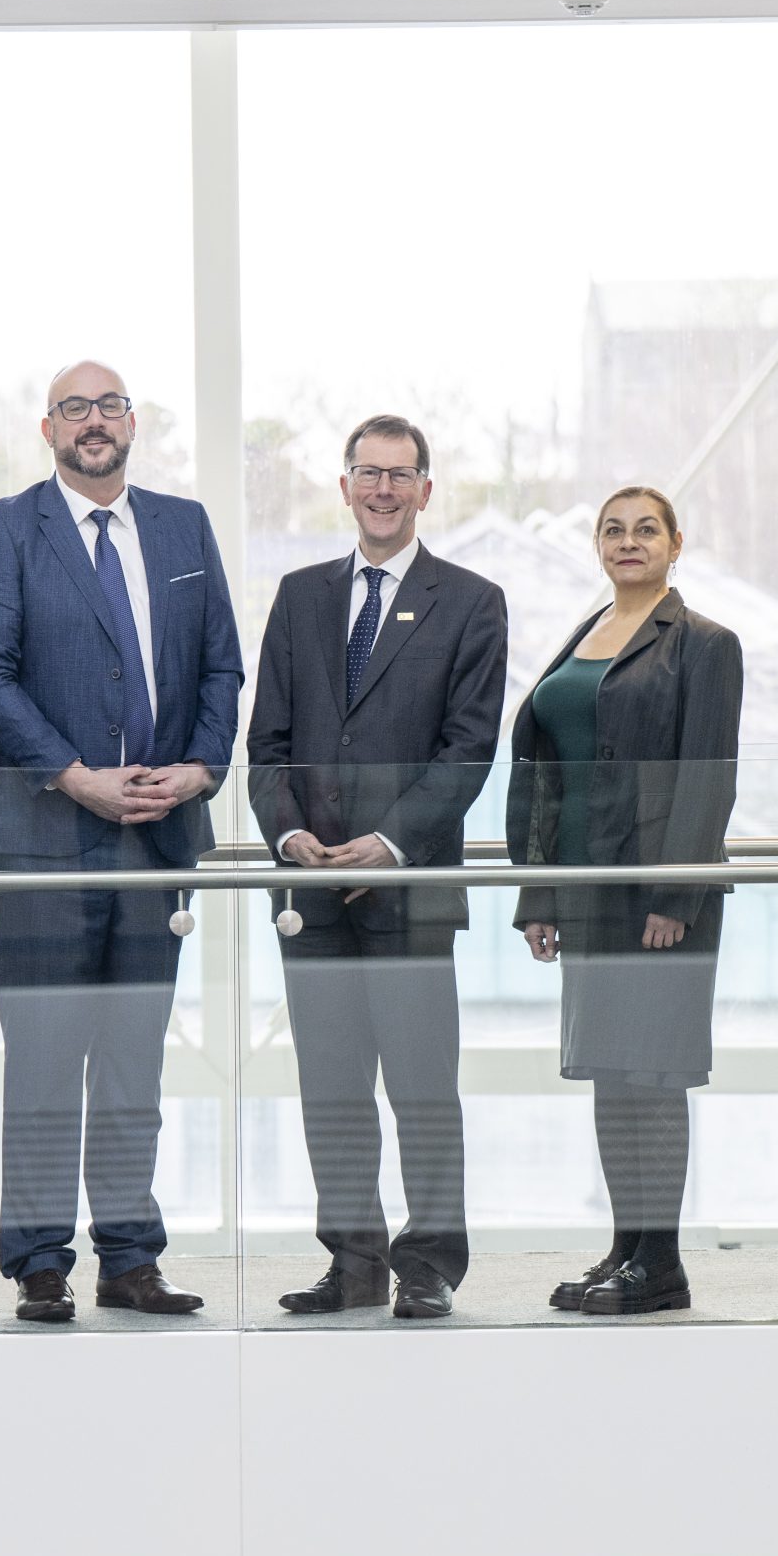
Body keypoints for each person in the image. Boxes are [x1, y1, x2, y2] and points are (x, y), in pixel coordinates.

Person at [0, 360, 243, 1323]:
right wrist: (74, 775)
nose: (94, 421)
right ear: (48, 429)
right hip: (47, 833)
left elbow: (221, 666)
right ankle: (41, 1261)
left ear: (132, 422)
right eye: (74, 408)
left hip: (159, 834)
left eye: (109, 406)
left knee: (133, 1062)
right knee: (44, 1060)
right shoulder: (7, 527)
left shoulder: (183, 525)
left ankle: (130, 1256)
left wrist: (201, 768)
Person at [246, 414, 507, 1320]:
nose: (383, 490)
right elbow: (267, 745)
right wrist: (291, 837)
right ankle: (353, 1261)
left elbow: (468, 752)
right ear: (345, 485)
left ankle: (428, 1262)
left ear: (426, 489)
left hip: (410, 892)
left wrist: (390, 845)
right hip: (311, 895)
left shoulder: (470, 601)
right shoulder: (300, 596)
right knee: (332, 1089)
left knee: (423, 1087)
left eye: (400, 475)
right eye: (369, 473)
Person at [508, 485, 742, 1316]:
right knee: (612, 1075)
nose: (628, 541)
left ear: (676, 544)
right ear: (597, 546)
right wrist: (539, 892)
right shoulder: (585, 634)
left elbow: (708, 778)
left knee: (655, 1074)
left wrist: (675, 894)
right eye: (613, 530)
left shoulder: (705, 644)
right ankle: (626, 1248)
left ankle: (662, 1262)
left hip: (657, 896)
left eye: (647, 529)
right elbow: (544, 773)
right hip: (587, 888)